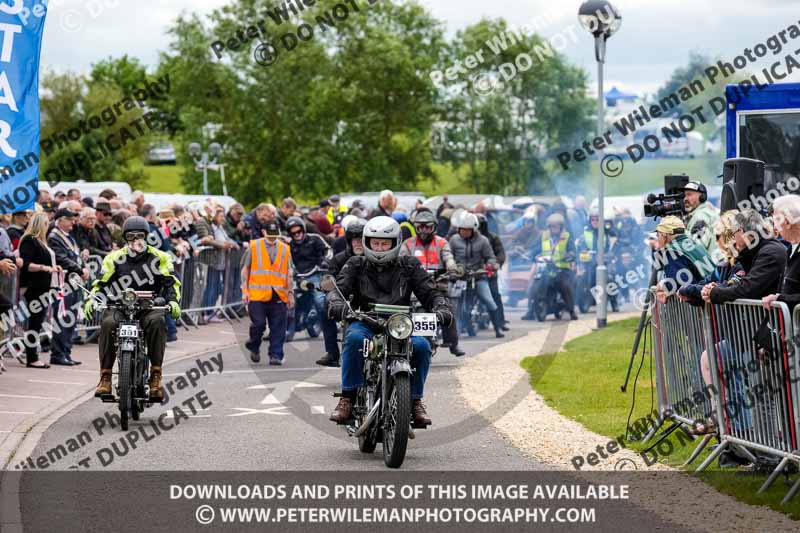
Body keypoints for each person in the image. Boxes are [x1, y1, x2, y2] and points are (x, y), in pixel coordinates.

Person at [327, 216, 454, 425]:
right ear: (367, 242)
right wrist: (336, 304)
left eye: (384, 243)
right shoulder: (356, 263)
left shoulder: (409, 264)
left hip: (401, 323)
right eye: (375, 242)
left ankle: (414, 401)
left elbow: (430, 292)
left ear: (395, 243)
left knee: (422, 346)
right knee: (354, 339)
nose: (379, 247)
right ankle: (347, 398)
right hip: (365, 319)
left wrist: (441, 307)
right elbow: (338, 290)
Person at [86, 216, 182, 399]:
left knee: (157, 322)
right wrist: (92, 299)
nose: (135, 240)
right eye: (131, 236)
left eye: (139, 236)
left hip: (150, 306)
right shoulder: (114, 257)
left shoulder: (160, 257)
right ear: (125, 238)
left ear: (146, 236)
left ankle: (156, 376)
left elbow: (171, 282)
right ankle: (105, 378)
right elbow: (101, 282)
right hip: (120, 305)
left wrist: (173, 301)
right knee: (107, 323)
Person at [400, 209, 465, 356]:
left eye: (427, 226)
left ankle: (453, 344)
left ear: (433, 227)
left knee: (448, 311)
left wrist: (452, 269)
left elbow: (448, 257)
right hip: (415, 288)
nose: (423, 230)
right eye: (420, 227)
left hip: (438, 285)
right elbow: (401, 260)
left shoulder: (442, 243)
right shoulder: (408, 244)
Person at [702, 209, 784, 305]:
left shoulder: (770, 252)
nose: (733, 239)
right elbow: (743, 284)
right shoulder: (758, 250)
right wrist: (719, 288)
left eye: (733, 235)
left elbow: (748, 288)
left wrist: (714, 292)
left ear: (741, 232)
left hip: (776, 317)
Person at [285, 216, 339, 358]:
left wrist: (324, 262)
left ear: (303, 229)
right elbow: (286, 260)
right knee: (288, 298)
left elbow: (328, 250)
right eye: (293, 233)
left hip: (315, 274)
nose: (297, 235)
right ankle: (286, 328)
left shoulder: (314, 238)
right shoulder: (289, 245)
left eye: (298, 231)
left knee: (320, 302)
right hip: (298, 276)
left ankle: (325, 325)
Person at [241, 220, 293, 365]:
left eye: (275, 235)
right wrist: (244, 291)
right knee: (258, 324)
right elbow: (245, 270)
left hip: (278, 294)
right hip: (257, 294)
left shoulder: (285, 249)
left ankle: (275, 355)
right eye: (269, 235)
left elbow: (289, 273)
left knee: (278, 327)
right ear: (263, 233)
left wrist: (290, 293)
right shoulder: (254, 246)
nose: (272, 239)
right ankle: (254, 345)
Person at [317, 219, 367, 367]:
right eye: (354, 240)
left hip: (369, 299)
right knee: (322, 305)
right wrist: (328, 287)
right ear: (349, 241)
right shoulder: (339, 259)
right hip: (343, 299)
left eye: (361, 239)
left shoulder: (374, 259)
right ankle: (332, 352)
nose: (358, 243)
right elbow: (329, 276)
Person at [448, 213, 505, 337]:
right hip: (459, 277)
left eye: (467, 230)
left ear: (473, 230)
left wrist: (490, 266)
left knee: (489, 300)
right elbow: (448, 255)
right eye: (462, 229)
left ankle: (497, 329)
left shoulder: (483, 241)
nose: (464, 232)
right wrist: (451, 267)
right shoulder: (454, 240)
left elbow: (490, 257)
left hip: (477, 277)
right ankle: (450, 330)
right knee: (449, 300)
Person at [47, 208, 88, 366]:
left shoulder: (68, 237)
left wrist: (83, 267)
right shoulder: (54, 237)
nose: (73, 222)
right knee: (62, 319)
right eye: (70, 219)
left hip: (73, 283)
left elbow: (76, 256)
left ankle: (66, 352)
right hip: (63, 283)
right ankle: (58, 353)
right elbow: (61, 258)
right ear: (61, 220)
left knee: (70, 320)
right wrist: (79, 269)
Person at [18, 213, 58, 368]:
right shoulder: (29, 240)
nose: (48, 226)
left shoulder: (40, 242)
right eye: (46, 223)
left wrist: (53, 268)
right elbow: (26, 264)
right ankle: (32, 357)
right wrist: (45, 268)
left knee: (37, 323)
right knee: (34, 323)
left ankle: (33, 356)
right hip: (34, 288)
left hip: (42, 287)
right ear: (40, 224)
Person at [523, 213, 578, 320]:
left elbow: (572, 250)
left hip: (561, 268)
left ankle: (571, 310)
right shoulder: (544, 236)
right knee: (533, 286)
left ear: (561, 227)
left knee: (565, 286)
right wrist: (529, 253)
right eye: (551, 226)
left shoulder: (566, 237)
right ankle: (530, 311)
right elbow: (537, 248)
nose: (553, 229)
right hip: (546, 267)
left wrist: (570, 255)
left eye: (556, 226)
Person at [652, 216, 714, 304]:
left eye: (657, 235)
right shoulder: (695, 244)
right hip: (716, 300)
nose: (657, 238)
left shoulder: (672, 252)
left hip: (708, 306)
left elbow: (682, 283)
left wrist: (663, 285)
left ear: (664, 234)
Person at [576, 208, 619, 312]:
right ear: (590, 220)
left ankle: (614, 303)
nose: (595, 222)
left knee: (610, 279)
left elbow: (613, 246)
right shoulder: (585, 232)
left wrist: (608, 254)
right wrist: (583, 251)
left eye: (597, 219)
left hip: (604, 262)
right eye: (593, 220)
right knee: (581, 278)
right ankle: (584, 301)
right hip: (590, 262)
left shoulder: (608, 232)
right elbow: (580, 245)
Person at [477, 213, 509, 330]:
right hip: (472, 272)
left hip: (488, 271)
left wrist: (496, 263)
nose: (478, 229)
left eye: (481, 226)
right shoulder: (465, 239)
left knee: (495, 294)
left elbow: (500, 253)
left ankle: (500, 322)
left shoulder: (493, 238)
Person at [681, 181, 719, 255]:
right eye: (685, 196)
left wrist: (680, 231)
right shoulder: (705, 212)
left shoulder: (702, 215)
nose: (685, 199)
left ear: (702, 197)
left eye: (689, 194)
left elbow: (697, 246)